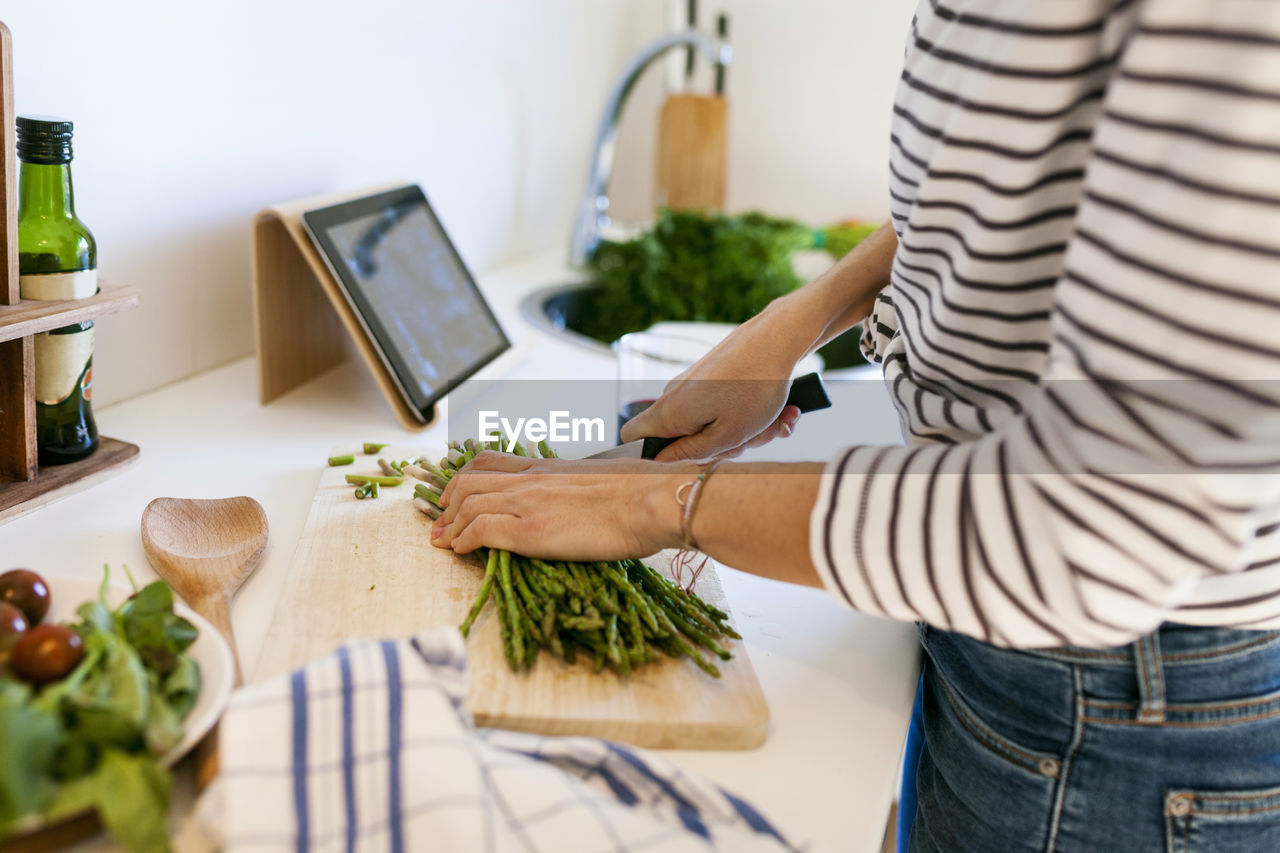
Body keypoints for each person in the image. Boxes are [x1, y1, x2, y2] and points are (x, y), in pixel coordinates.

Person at [432, 1, 1280, 849]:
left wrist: (660, 502)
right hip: (989, 616)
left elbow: (1099, 524)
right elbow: (998, 194)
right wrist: (800, 318)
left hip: (1130, 702)